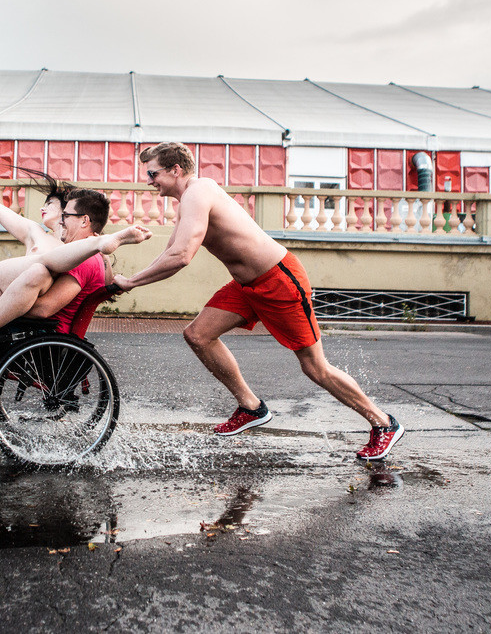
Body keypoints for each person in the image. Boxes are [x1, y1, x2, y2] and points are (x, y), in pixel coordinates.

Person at [113, 142, 404, 460]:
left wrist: (129, 282)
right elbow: (170, 251)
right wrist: (126, 275)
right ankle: (251, 407)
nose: (149, 180)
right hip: (246, 287)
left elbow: (182, 256)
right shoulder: (188, 201)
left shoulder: (199, 192)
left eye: (153, 173)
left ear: (175, 170)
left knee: (315, 367)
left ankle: (384, 423)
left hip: (279, 281)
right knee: (198, 335)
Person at [0, 181, 148, 411]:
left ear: (84, 220)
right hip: (41, 335)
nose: (61, 220)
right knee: (39, 268)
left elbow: (44, 309)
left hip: (40, 338)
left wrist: (2, 301)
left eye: (66, 215)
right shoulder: (85, 257)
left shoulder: (85, 260)